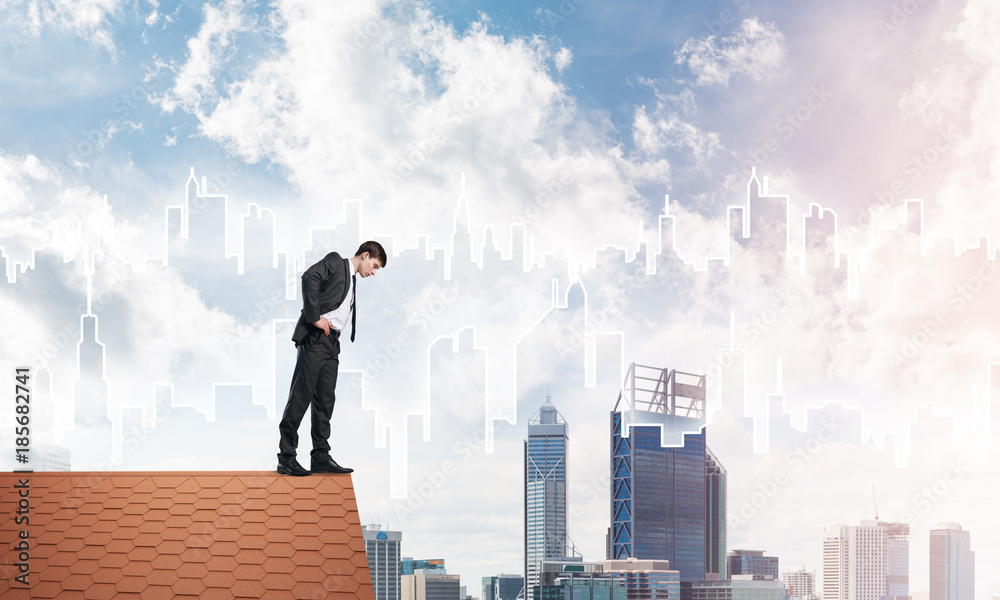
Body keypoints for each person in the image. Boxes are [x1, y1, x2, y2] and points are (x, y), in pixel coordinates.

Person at [276, 241, 387, 476]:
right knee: (300, 396)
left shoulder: (352, 279)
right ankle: (286, 458)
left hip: (331, 343)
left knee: (325, 401)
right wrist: (314, 316)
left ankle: (320, 456)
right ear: (365, 255)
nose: (374, 272)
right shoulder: (337, 262)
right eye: (375, 265)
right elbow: (309, 277)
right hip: (315, 338)